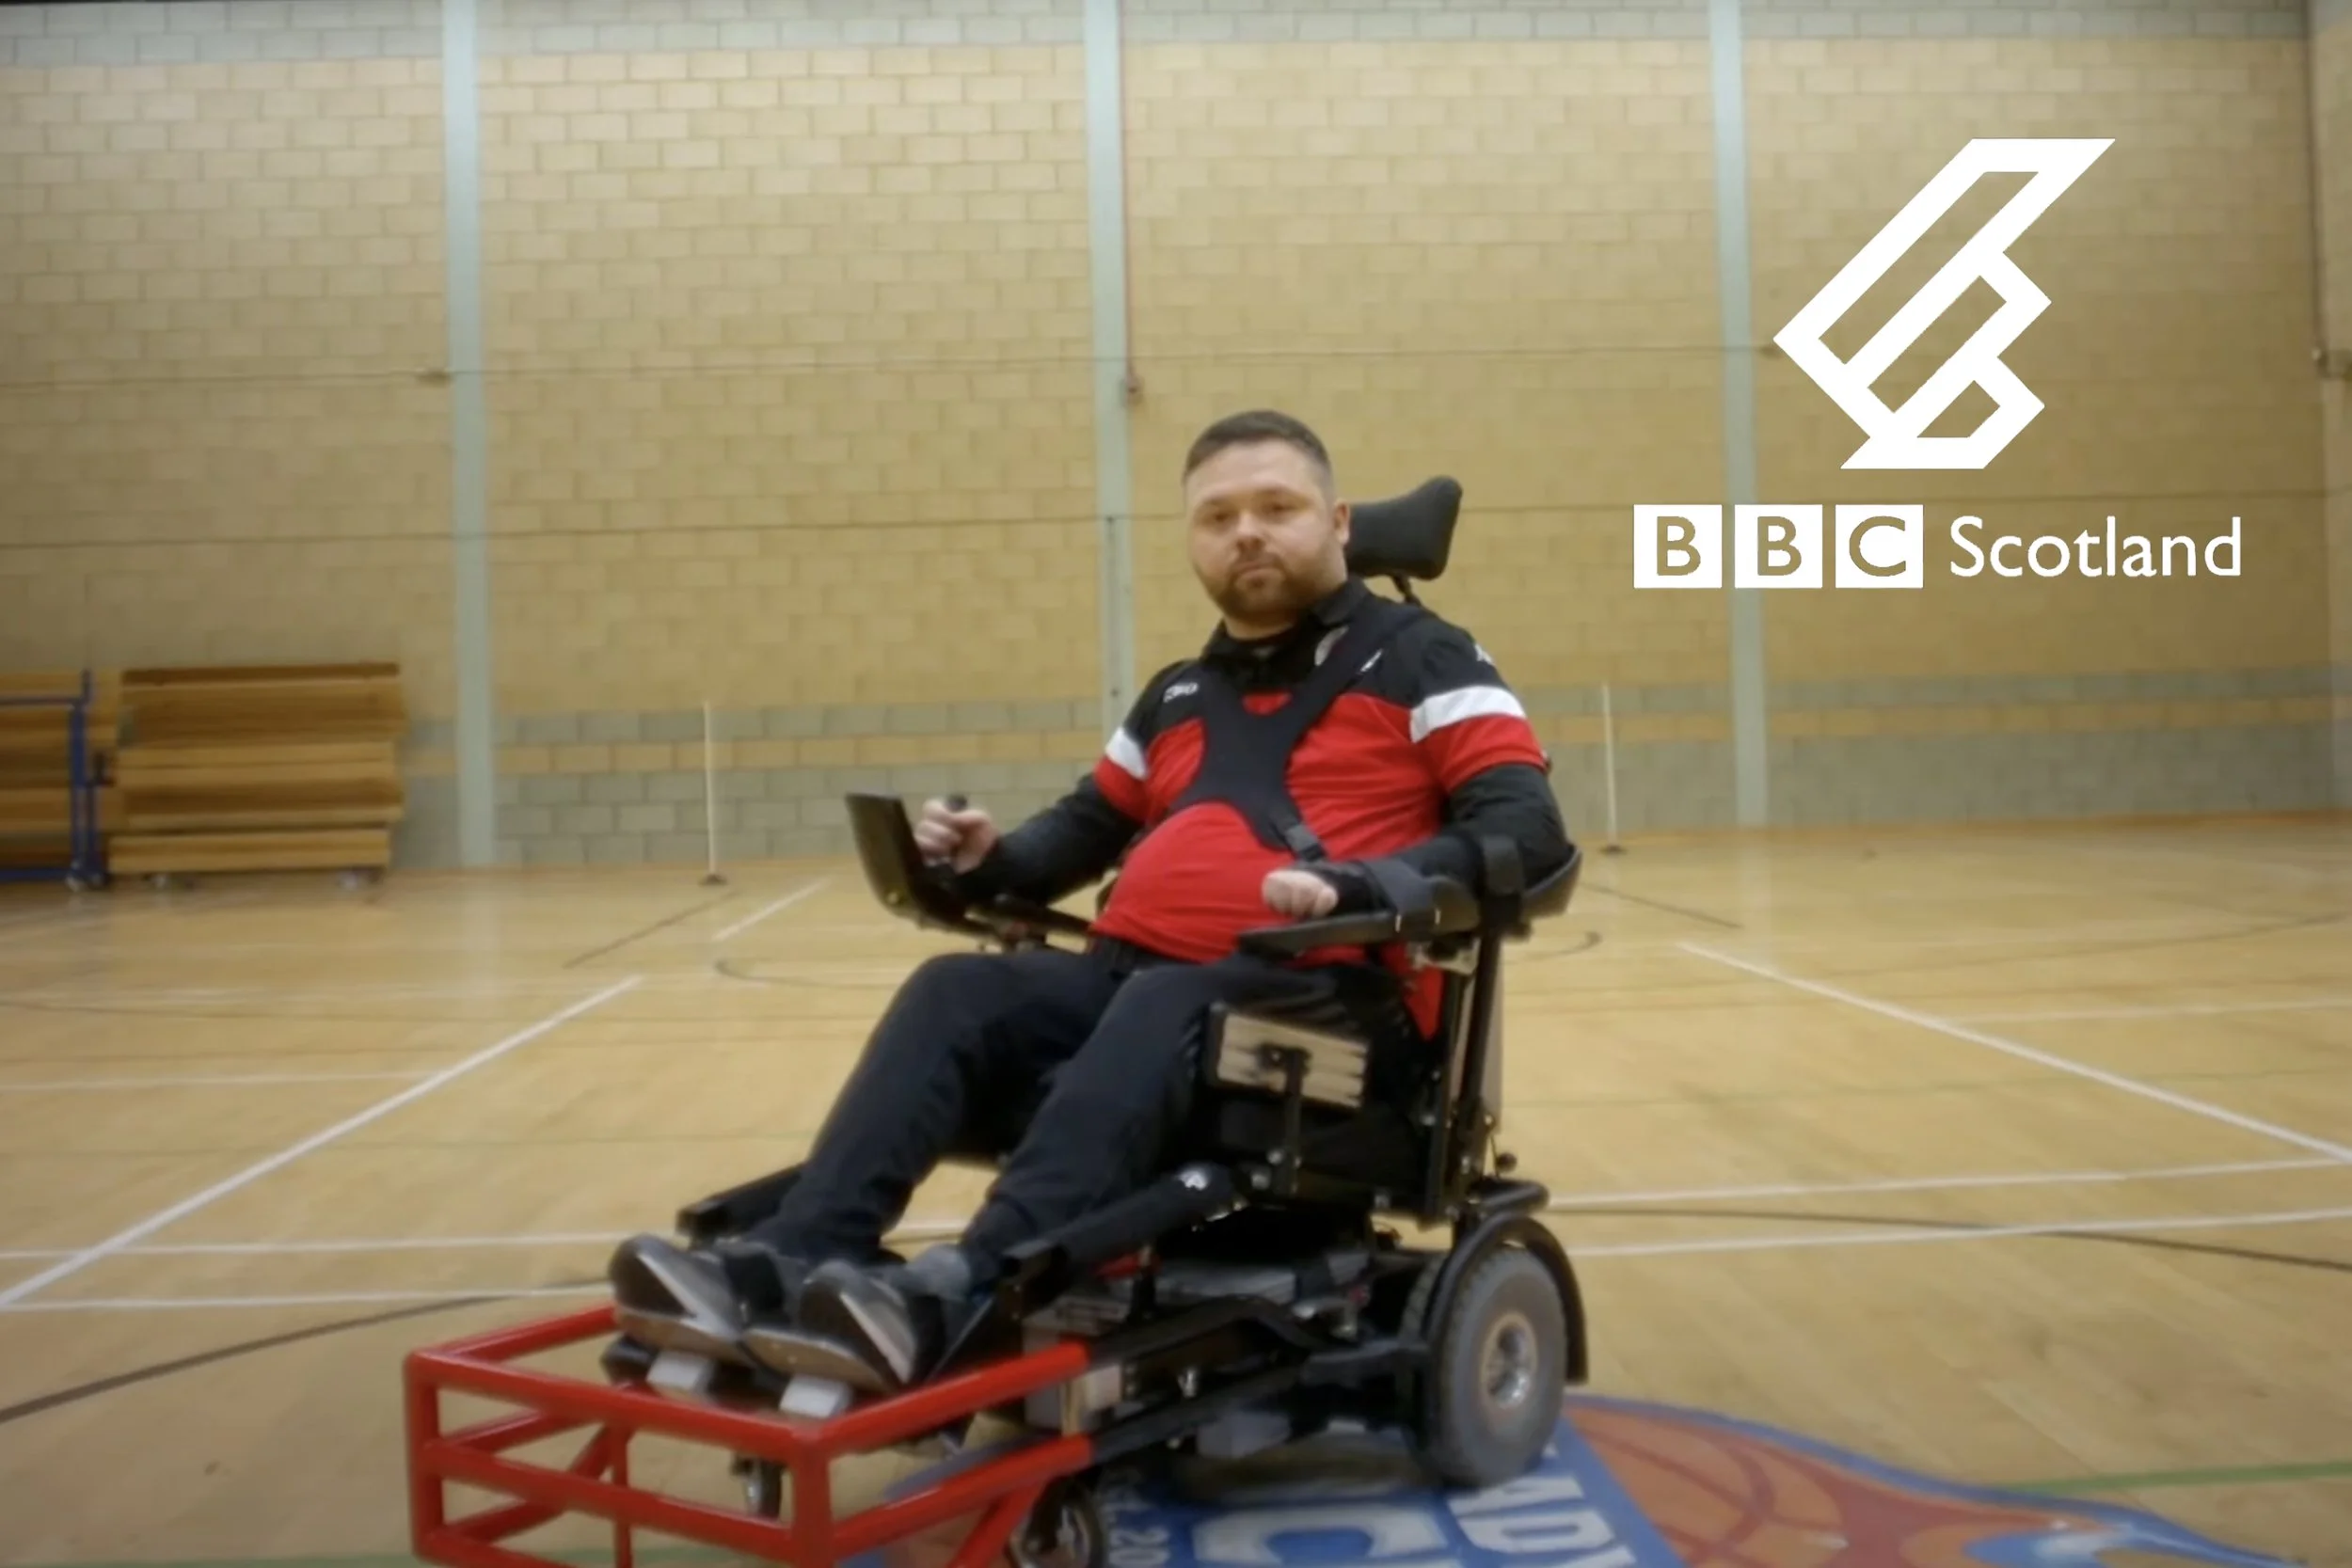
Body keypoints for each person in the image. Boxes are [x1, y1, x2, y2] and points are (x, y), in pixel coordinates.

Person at [610, 409, 1572, 1392]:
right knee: (957, 989)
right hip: (1143, 995)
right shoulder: (1178, 694)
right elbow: (1074, 833)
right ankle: (800, 1254)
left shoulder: (1427, 658)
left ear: (1338, 522)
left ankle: (966, 1288)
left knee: (1167, 999)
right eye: (1217, 515)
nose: (1246, 530)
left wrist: (1367, 882)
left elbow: (1527, 833)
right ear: (1192, 541)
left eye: (1276, 507)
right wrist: (990, 860)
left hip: (1329, 1021)